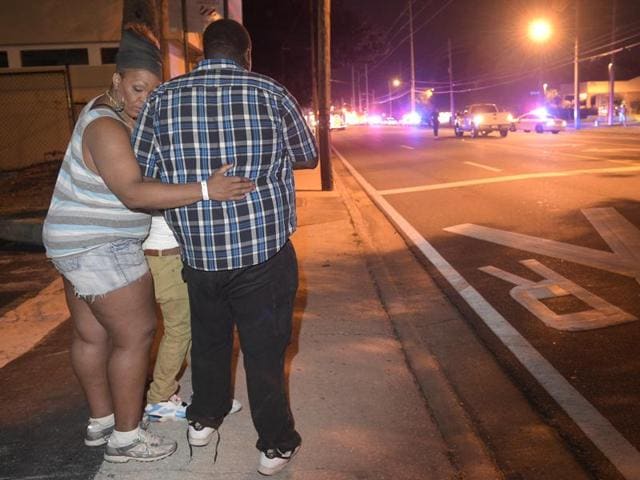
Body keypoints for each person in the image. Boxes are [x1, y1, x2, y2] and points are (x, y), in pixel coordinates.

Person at [42, 24, 254, 463]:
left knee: (92, 335)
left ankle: (101, 421)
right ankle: (126, 437)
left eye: (153, 90)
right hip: (102, 246)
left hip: (71, 242)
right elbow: (133, 192)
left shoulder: (101, 112)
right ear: (117, 80)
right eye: (137, 87)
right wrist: (205, 189)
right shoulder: (107, 127)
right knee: (137, 336)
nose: (145, 98)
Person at [132, 19, 318, 476]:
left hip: (198, 254)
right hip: (264, 254)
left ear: (201, 54)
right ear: (246, 55)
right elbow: (308, 155)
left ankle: (204, 417)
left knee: (210, 340)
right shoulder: (272, 93)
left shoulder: (162, 98)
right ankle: (274, 443)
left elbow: (141, 170)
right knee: (264, 352)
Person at [142, 214, 243, 422]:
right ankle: (158, 398)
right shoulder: (161, 181)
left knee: (189, 327)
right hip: (167, 257)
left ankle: (208, 396)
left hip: (165, 256)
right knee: (179, 330)